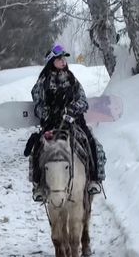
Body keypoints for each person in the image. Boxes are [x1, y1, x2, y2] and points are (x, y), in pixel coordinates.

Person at [30, 44, 103, 202]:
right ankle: (39, 185)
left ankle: (94, 179)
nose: (63, 61)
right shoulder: (43, 82)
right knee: (38, 147)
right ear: (52, 61)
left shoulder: (71, 79)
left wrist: (72, 110)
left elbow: (83, 101)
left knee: (90, 142)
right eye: (59, 59)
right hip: (52, 123)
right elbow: (38, 104)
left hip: (75, 121)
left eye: (64, 58)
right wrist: (48, 114)